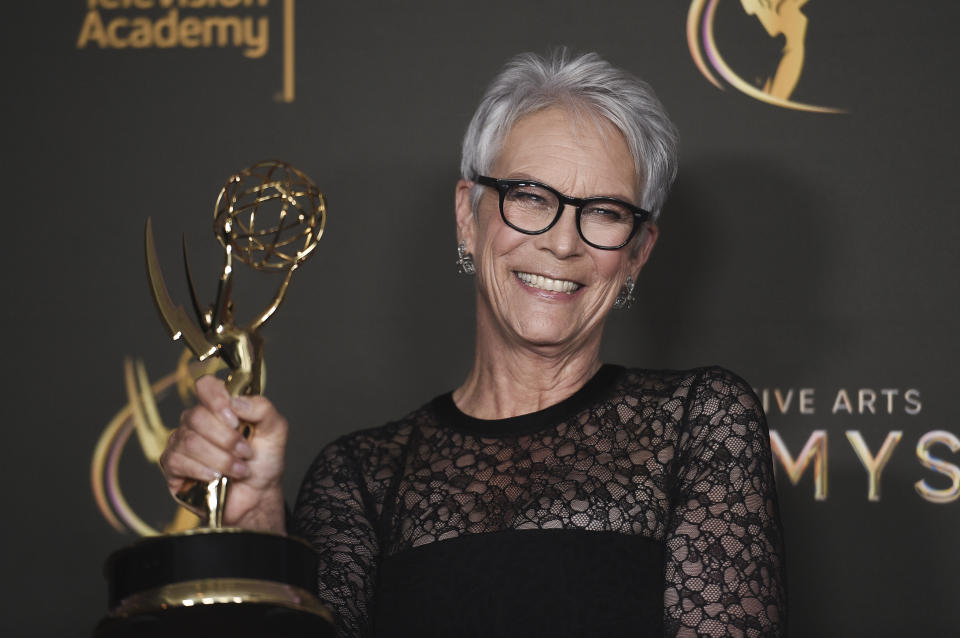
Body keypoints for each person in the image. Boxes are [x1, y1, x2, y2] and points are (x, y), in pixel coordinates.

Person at [159, 50, 787, 637]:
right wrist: (256, 529)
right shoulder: (362, 477)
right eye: (530, 198)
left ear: (637, 254)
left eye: (603, 212)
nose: (562, 243)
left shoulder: (697, 422)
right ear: (468, 215)